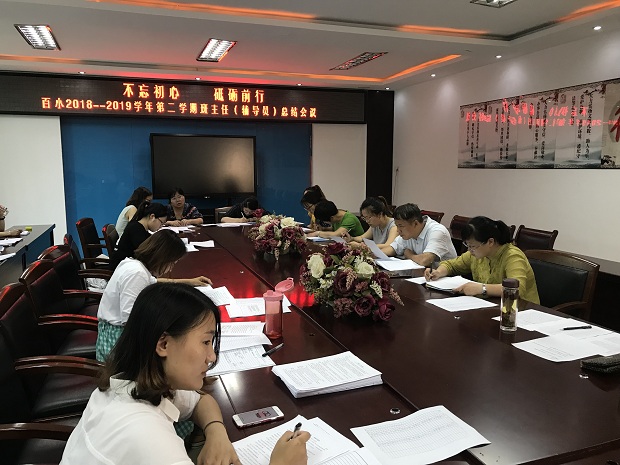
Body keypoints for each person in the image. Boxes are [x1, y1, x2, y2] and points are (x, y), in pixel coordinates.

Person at [62, 283, 310, 465]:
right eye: (205, 342)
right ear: (163, 344)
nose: (211, 357)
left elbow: (201, 401)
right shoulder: (147, 436)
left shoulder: (135, 383)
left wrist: (216, 433)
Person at [97, 229, 212, 362]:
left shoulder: (134, 264)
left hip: (117, 331)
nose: (170, 269)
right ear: (162, 258)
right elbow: (129, 319)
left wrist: (189, 282)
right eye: (172, 263)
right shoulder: (137, 274)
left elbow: (154, 281)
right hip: (117, 339)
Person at [425, 216, 540, 303]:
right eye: (467, 245)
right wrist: (438, 272)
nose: (470, 250)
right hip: (491, 305)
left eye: (473, 246)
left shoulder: (512, 256)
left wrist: (482, 289)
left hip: (520, 311)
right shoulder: (477, 254)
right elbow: (452, 265)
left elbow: (516, 289)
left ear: (490, 242)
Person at [379, 203, 456, 267]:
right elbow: (392, 248)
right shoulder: (409, 232)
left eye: (401, 226)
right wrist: (375, 255)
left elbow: (425, 261)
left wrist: (409, 255)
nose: (398, 230)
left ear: (415, 223)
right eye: (397, 226)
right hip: (425, 275)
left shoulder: (437, 232)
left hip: (446, 277)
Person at [109, 201, 167, 270]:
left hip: (129, 265)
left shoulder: (141, 227)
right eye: (161, 222)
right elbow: (145, 253)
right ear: (152, 217)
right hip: (121, 268)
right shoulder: (135, 228)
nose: (161, 226)